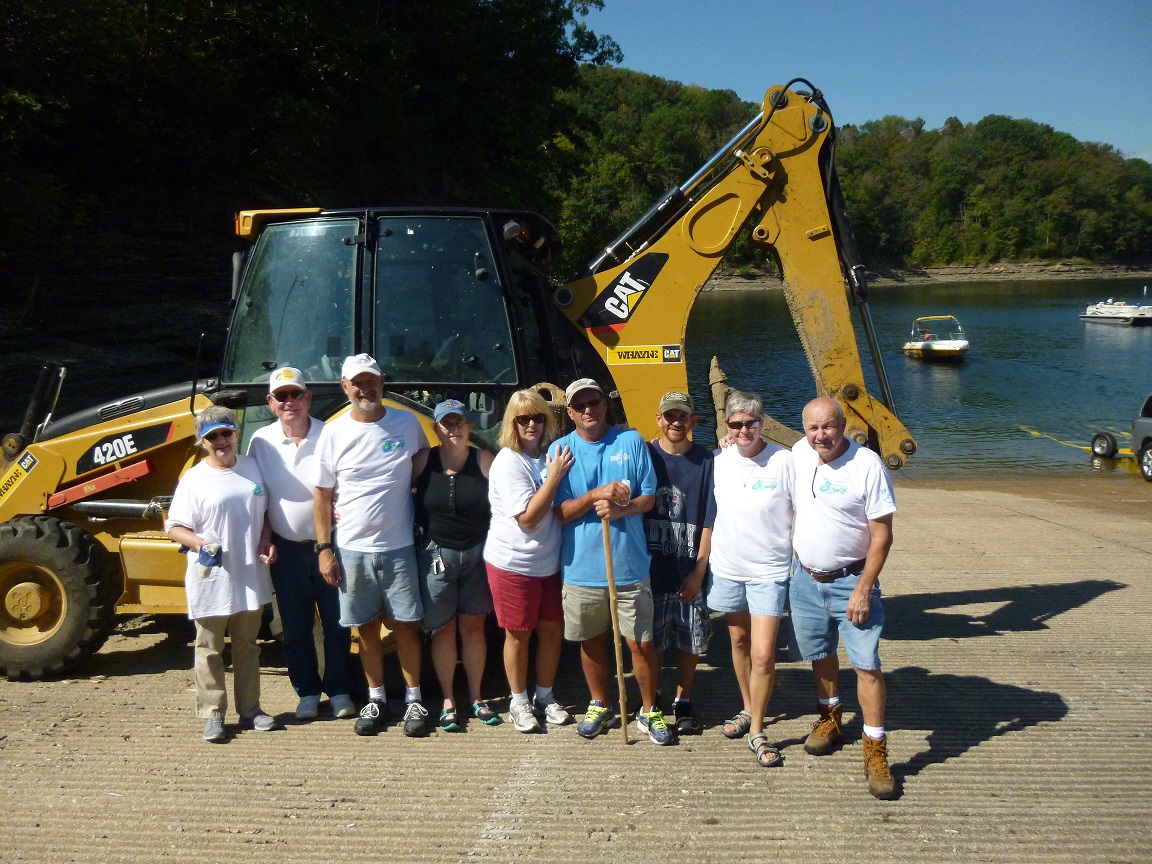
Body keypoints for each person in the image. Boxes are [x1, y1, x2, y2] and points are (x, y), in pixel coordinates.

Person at [312, 354, 431, 737]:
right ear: (345, 387)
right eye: (357, 383)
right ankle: (376, 697)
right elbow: (322, 497)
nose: (365, 388)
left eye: (371, 381)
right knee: (364, 629)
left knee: (406, 627)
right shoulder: (332, 433)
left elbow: (422, 456)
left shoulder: (406, 422)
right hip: (351, 550)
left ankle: (414, 700)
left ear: (382, 382)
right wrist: (324, 549)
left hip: (399, 547)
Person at [551, 378, 672, 745]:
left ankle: (649, 710)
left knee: (642, 644)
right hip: (582, 568)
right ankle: (600, 703)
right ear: (570, 412)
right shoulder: (561, 449)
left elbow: (648, 499)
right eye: (581, 405)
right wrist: (595, 495)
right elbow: (560, 512)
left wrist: (622, 509)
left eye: (595, 402)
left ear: (605, 405)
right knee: (591, 641)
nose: (589, 410)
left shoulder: (631, 441)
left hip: (630, 565)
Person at [790, 395, 897, 799]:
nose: (821, 435)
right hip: (804, 577)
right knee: (819, 653)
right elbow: (758, 454)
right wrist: (733, 444)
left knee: (867, 665)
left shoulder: (866, 465)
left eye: (829, 427)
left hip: (850, 580)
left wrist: (863, 588)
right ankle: (830, 717)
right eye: (813, 427)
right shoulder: (799, 453)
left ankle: (875, 747)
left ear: (842, 424)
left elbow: (882, 535)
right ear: (804, 429)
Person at [165, 406, 280, 743]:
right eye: (212, 436)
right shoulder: (194, 478)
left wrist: (266, 538)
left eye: (226, 433)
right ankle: (213, 714)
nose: (221, 441)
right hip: (211, 576)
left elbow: (267, 511)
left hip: (249, 572)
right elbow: (174, 526)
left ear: (236, 434)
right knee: (210, 647)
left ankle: (251, 710)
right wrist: (201, 544)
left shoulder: (253, 468)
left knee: (248, 644)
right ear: (202, 442)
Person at [247, 367, 355, 721]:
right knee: (294, 627)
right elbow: (260, 497)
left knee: (338, 623)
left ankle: (339, 690)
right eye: (282, 396)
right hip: (287, 549)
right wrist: (265, 537)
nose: (290, 402)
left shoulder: (331, 434)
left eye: (296, 395)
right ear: (271, 403)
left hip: (331, 547)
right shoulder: (260, 442)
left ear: (309, 398)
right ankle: (307, 692)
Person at [707, 391, 794, 767]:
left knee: (763, 653)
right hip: (728, 566)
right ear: (726, 425)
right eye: (736, 424)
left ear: (763, 423)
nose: (744, 430)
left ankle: (757, 728)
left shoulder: (785, 460)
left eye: (751, 423)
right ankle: (747, 707)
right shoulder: (718, 460)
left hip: (769, 570)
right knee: (738, 640)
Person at [484, 388, 574, 733]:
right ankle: (518, 700)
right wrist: (553, 477)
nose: (532, 424)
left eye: (538, 417)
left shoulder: (551, 453)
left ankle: (545, 695)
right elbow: (529, 519)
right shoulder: (509, 461)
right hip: (514, 564)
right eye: (524, 419)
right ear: (513, 423)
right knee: (519, 634)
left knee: (552, 632)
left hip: (549, 563)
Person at [413, 399, 498, 731]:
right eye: (446, 423)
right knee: (442, 629)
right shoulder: (423, 461)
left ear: (470, 426)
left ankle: (476, 696)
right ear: (436, 428)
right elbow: (387, 492)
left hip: (478, 556)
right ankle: (449, 699)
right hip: (437, 558)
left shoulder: (486, 461)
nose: (453, 429)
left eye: (459, 422)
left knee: (474, 629)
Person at [643, 390, 716, 735]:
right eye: (669, 416)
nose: (676, 422)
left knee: (691, 641)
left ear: (693, 422)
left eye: (682, 416)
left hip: (690, 567)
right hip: (651, 569)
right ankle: (651, 699)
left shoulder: (707, 461)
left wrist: (699, 571)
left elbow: (709, 522)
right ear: (659, 419)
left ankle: (684, 700)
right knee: (651, 641)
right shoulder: (644, 454)